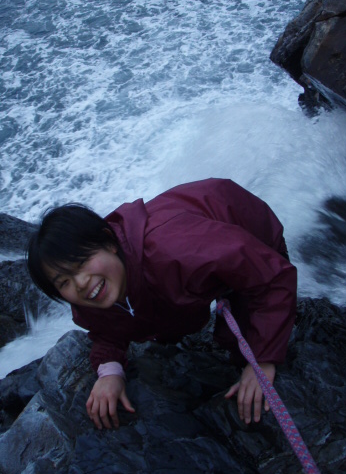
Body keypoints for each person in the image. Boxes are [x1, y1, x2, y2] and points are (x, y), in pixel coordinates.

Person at [27, 178, 297, 430]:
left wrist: (262, 361)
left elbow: (271, 276)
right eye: (64, 281)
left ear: (109, 242)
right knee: (191, 326)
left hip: (245, 228)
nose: (81, 282)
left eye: (82, 262)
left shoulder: (174, 249)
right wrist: (110, 371)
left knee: (245, 346)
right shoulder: (93, 291)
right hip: (202, 256)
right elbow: (108, 330)